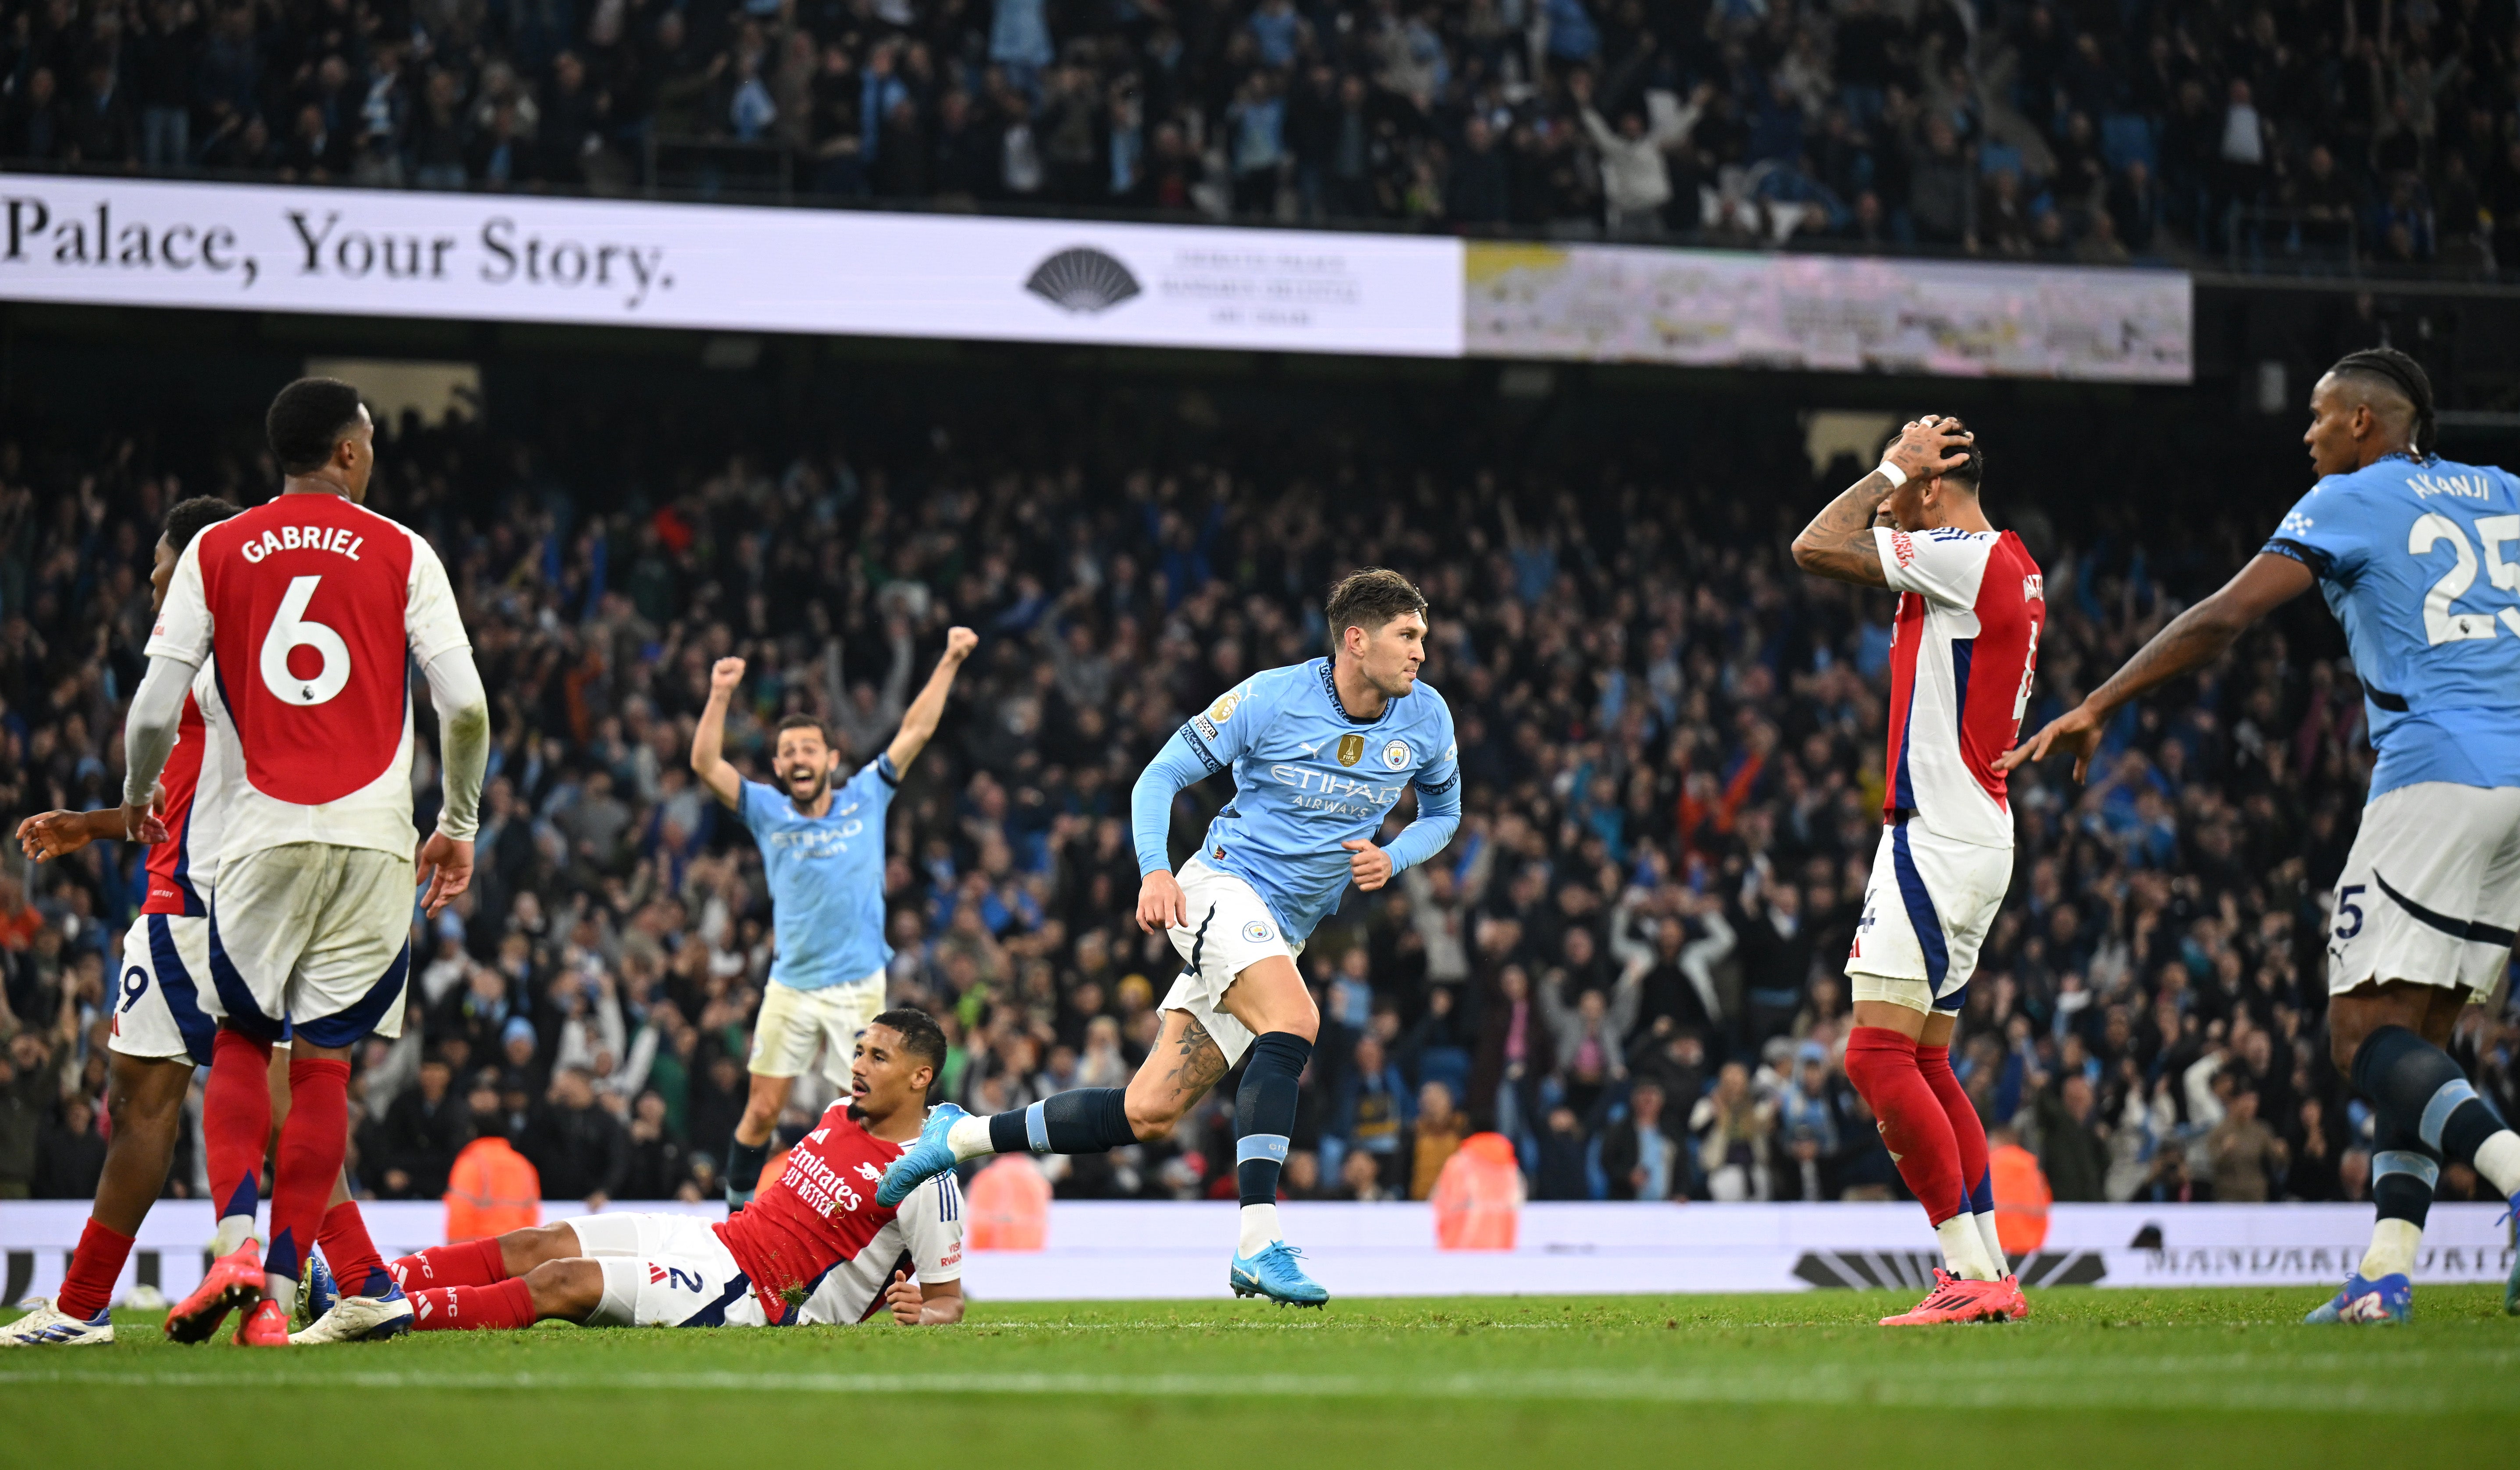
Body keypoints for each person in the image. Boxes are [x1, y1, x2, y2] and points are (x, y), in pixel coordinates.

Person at [2009, 346, 2520, 1325]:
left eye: (2322, 416)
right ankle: (2384, 1273)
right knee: (2417, 1042)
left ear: (2368, 425)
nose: (2308, 433)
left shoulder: (2353, 497)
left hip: (2435, 776)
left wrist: (2102, 702)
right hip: (2511, 785)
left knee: (2359, 1037)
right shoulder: (2503, 490)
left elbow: (2225, 618)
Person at [878, 568, 1462, 1307]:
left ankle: (958, 1138)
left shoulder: (1428, 717)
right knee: (1296, 1020)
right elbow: (1159, 776)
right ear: (1357, 639)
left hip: (1284, 929)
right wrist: (1156, 873)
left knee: (1147, 1112)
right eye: (1407, 636)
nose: (1421, 652)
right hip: (1219, 889)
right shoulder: (1269, 697)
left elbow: (1445, 812)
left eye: (1423, 637)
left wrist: (1394, 854)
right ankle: (1259, 1243)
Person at [120, 377, 490, 1346]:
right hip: (376, 839)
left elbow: (156, 707)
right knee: (325, 1071)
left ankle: (237, 1245)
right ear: (351, 452)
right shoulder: (407, 551)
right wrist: (458, 821)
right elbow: (466, 708)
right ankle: (279, 1302)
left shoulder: (215, 547)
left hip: (257, 838)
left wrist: (136, 790)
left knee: (243, 1041)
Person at [2, 498, 386, 1348]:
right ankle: (362, 1279)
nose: (150, 587)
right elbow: (191, 792)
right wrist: (96, 823)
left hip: (196, 904)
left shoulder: (210, 651)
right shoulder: (268, 658)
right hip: (258, 896)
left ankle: (86, 1305)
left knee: (142, 1103)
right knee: (283, 1106)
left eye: (162, 571)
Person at [1790, 414, 2043, 1326]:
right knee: (1928, 1061)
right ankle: (1985, 1271)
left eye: (1905, 489)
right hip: (1969, 832)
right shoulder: (2008, 561)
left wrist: (1891, 465)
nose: (1891, 502)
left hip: (1937, 834)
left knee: (1874, 1054)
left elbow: (1815, 546)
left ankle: (1968, 1268)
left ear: (1933, 491)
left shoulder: (1961, 556)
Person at [385, 1009, 964, 1331]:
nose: (858, 1065)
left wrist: (924, 1310)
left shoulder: (928, 1176)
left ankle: (392, 1314)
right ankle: (371, 1280)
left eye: (878, 1057)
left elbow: (949, 1301)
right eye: (860, 1050)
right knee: (541, 1240)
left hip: (765, 1297)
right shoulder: (838, 1112)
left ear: (920, 1077)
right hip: (719, 1240)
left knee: (560, 1280)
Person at [690, 627, 976, 1211]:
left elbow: (916, 729)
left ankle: (880, 1233)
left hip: (857, 987)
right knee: (763, 1110)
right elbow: (704, 763)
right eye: (789, 751)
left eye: (809, 749)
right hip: (791, 984)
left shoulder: (865, 795)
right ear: (778, 764)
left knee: (867, 1113)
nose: (799, 758)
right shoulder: (767, 808)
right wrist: (720, 694)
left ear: (832, 759)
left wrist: (948, 659)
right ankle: (737, 1222)